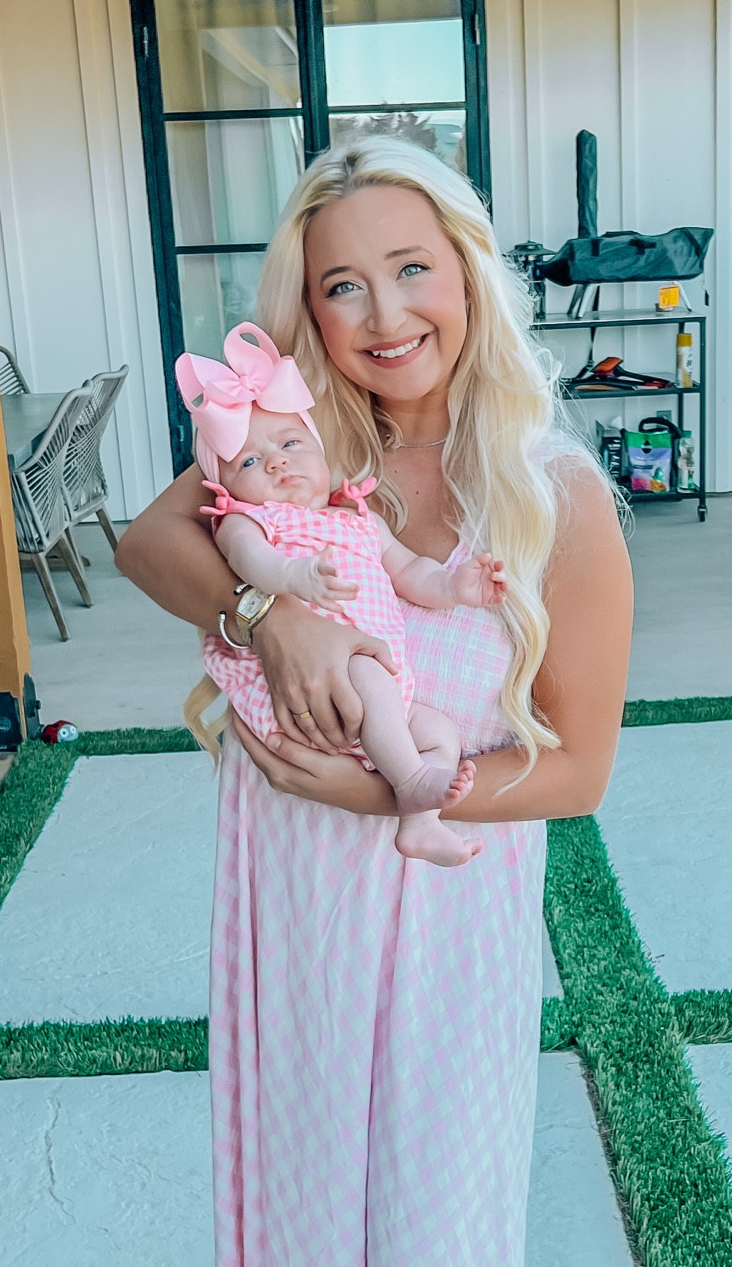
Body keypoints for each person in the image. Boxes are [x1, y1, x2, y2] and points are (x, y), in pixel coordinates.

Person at [116, 136, 632, 1267]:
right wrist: (265, 611)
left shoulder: (554, 493)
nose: (383, 310)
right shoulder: (287, 446)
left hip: (448, 906)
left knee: (444, 1228)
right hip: (294, 913)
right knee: (323, 1209)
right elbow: (148, 542)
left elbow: (580, 772)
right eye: (342, 283)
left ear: (469, 272)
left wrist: (375, 797)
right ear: (305, 314)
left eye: (412, 268)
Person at [175, 321, 507, 866]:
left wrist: (454, 585)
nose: (277, 462)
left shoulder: (355, 520)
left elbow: (408, 571)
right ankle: (412, 778)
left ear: (321, 451)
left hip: (375, 694)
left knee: (439, 731)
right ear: (223, 487)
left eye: (290, 443)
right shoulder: (248, 521)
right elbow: (251, 563)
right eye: (250, 462)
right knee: (369, 672)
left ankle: (419, 823)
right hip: (309, 692)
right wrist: (293, 578)